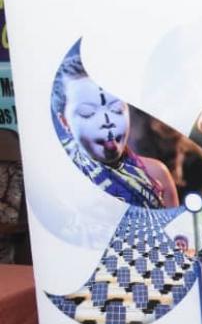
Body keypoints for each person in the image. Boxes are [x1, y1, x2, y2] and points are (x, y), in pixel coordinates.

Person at [51, 49, 177, 209]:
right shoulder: (61, 180)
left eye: (116, 108)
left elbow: (174, 231)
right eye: (87, 112)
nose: (107, 121)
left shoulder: (156, 173)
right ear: (65, 123)